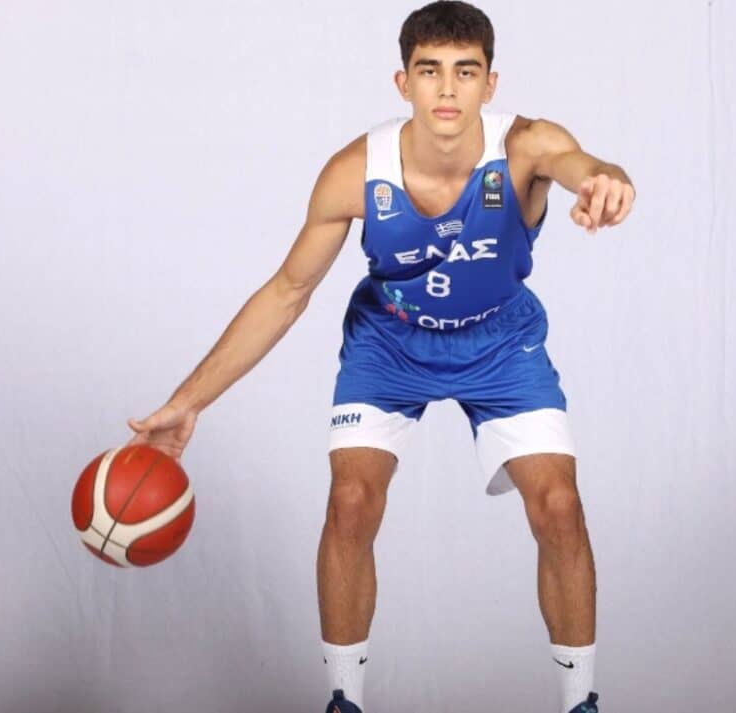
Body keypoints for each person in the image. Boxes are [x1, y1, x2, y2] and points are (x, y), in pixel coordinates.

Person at [127, 2, 634, 711]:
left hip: (498, 340)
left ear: (491, 83)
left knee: (559, 505)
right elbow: (287, 292)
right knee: (351, 501)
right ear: (403, 83)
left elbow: (582, 165)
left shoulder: (525, 146)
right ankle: (344, 699)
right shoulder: (354, 172)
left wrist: (607, 179)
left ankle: (581, 702)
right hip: (389, 341)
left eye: (466, 72)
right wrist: (189, 402)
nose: (448, 89)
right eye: (430, 71)